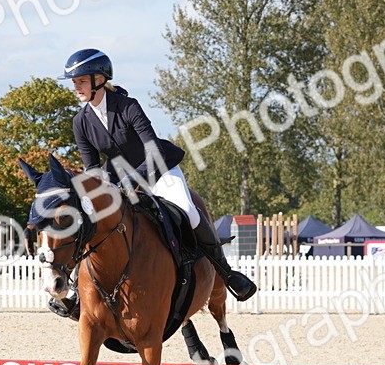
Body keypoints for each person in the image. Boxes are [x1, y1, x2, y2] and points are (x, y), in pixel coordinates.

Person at [62, 47, 256, 301]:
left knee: (187, 209)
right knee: (91, 218)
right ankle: (76, 288)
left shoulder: (128, 106)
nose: (76, 87)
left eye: (81, 81)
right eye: (74, 82)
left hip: (159, 168)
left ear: (99, 80)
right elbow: (92, 167)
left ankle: (227, 272)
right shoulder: (80, 121)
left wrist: (131, 180)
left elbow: (153, 150)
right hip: (119, 177)